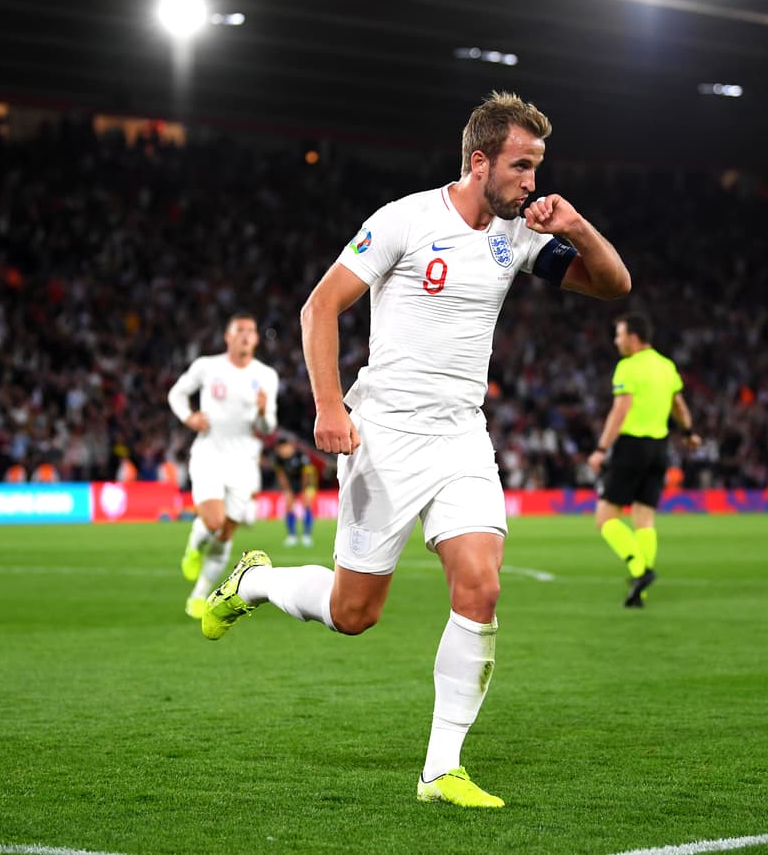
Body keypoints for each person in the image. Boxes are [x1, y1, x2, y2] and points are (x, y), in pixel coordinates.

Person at [199, 91, 631, 807]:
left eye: (537, 168)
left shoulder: (518, 235)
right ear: (479, 160)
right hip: (386, 435)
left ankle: (441, 770)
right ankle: (254, 583)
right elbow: (319, 308)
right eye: (521, 166)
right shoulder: (404, 220)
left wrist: (578, 227)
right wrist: (331, 405)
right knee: (353, 613)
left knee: (482, 583)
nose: (531, 182)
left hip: (462, 434)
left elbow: (614, 286)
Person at [167, 313, 278, 619]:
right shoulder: (207, 366)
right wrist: (189, 417)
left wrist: (262, 411)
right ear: (227, 337)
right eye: (239, 330)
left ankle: (199, 596)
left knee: (226, 533)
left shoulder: (266, 375)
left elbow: (268, 427)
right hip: (209, 455)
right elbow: (176, 393)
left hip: (244, 462)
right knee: (214, 522)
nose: (245, 335)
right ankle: (193, 546)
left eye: (250, 331)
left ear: (256, 339)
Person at [586, 314, 700, 608]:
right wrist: (688, 433)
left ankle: (640, 570)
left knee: (605, 518)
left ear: (634, 337)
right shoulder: (666, 366)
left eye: (619, 335)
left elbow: (620, 410)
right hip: (660, 449)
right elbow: (679, 405)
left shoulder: (628, 367)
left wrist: (601, 449)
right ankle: (640, 593)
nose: (616, 341)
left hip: (631, 448)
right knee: (644, 519)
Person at [272, 435, 318, 547]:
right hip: (291, 482)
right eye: (280, 449)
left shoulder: (301, 455)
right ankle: (291, 536)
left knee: (307, 504)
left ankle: (307, 536)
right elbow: (281, 475)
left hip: (306, 482)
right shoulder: (278, 458)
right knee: (289, 506)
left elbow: (306, 474)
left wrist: (303, 490)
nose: (283, 451)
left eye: (285, 447)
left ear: (290, 447)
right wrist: (288, 490)